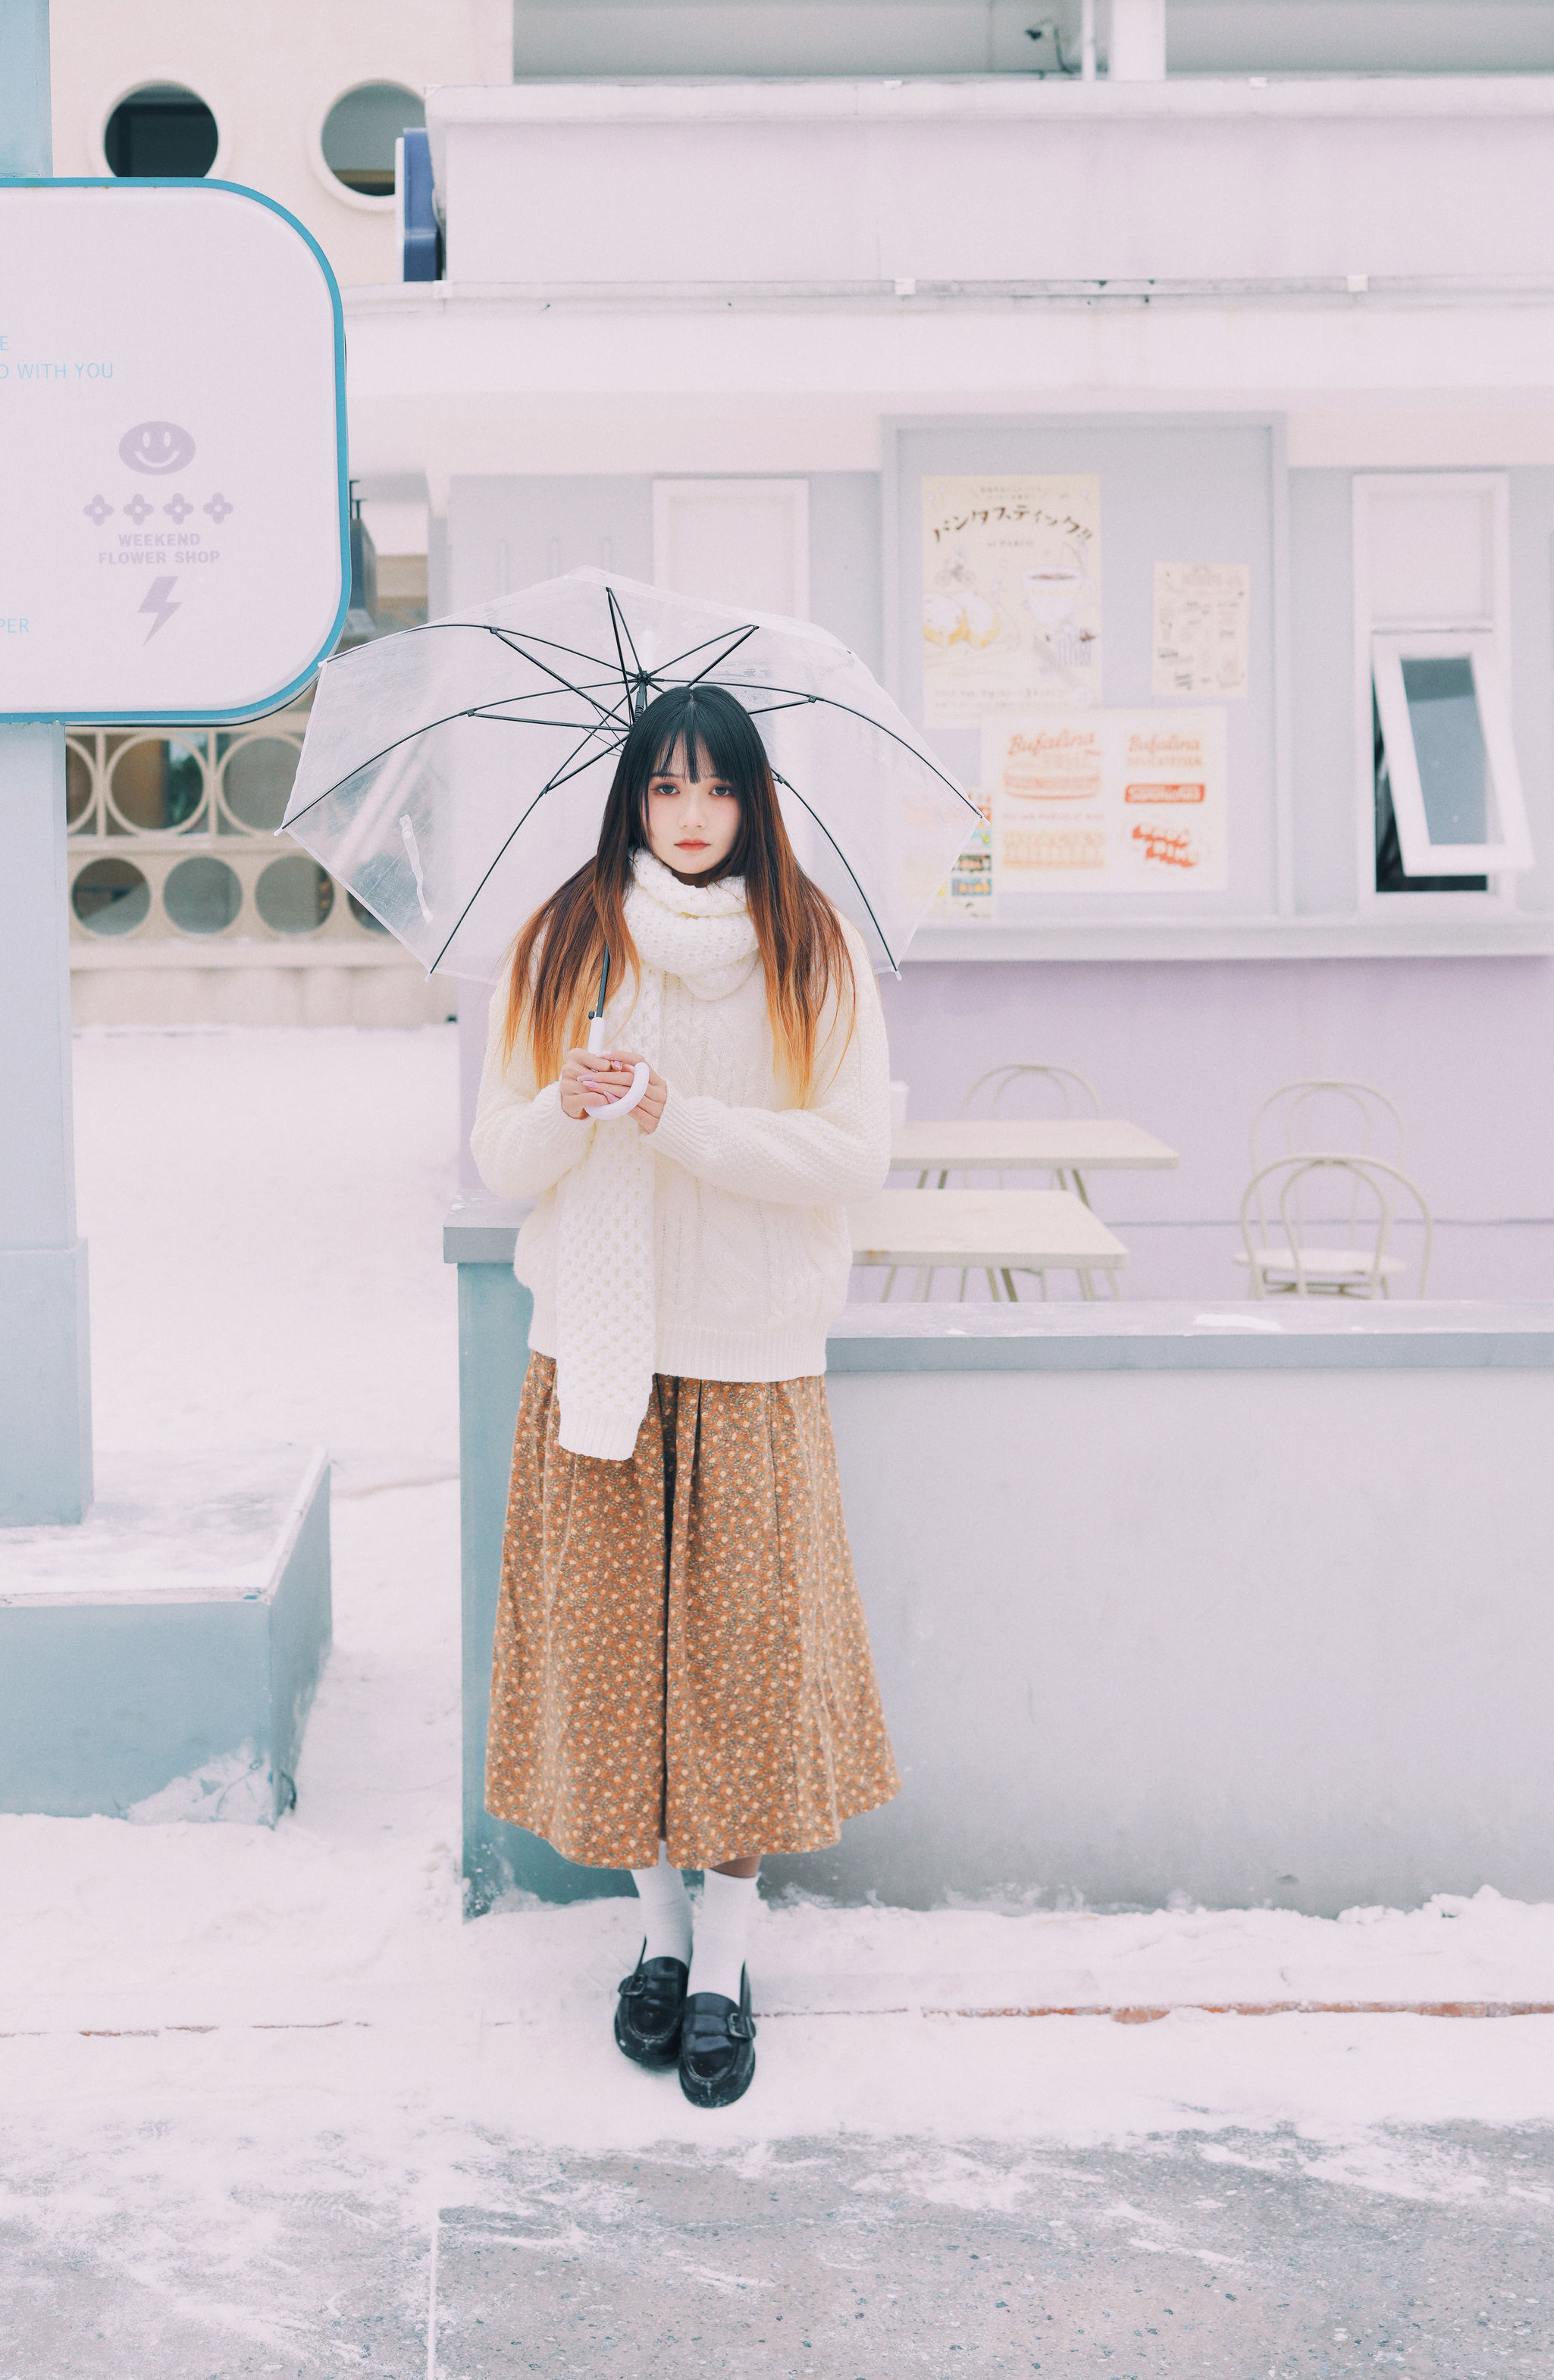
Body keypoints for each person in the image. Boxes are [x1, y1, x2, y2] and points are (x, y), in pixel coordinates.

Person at [472, 682, 899, 2111]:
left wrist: (676, 1121)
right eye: (664, 789)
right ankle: (656, 1937)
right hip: (597, 1354)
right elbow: (499, 1158)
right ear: (632, 798)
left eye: (716, 789)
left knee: (737, 1682)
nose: (692, 816)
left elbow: (850, 1157)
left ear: (753, 799)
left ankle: (724, 1963)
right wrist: (570, 1106)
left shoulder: (811, 949)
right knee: (616, 1676)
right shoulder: (564, 940)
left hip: (750, 1362)